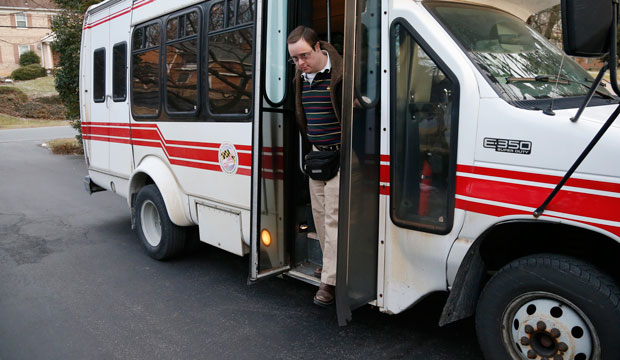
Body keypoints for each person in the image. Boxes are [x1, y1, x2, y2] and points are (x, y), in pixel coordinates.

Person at [287, 26, 343, 306]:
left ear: (319, 47)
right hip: (317, 156)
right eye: (295, 59)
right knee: (320, 218)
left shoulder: (341, 74)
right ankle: (331, 265)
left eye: (304, 55)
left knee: (333, 219)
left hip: (341, 157)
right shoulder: (301, 78)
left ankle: (329, 282)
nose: (300, 63)